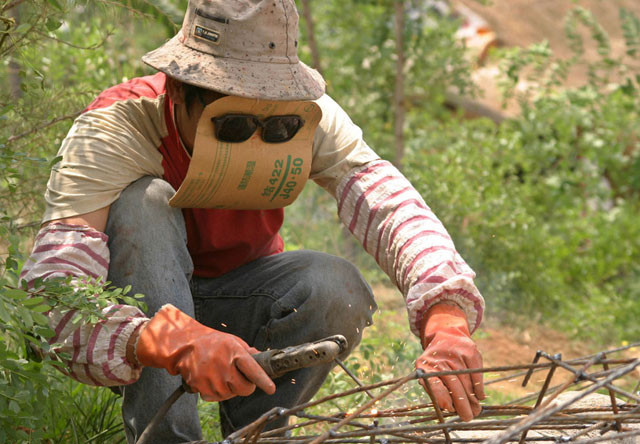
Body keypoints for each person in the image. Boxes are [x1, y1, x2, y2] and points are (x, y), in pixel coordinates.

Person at [20, 1, 486, 443]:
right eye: (235, 124)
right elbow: (51, 298)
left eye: (278, 125)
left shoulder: (310, 117)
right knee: (146, 202)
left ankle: (259, 432)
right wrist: (160, 339)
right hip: (141, 313)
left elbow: (388, 205)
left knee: (333, 284)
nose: (259, 139)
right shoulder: (115, 129)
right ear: (180, 92)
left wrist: (445, 318)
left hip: (239, 302)